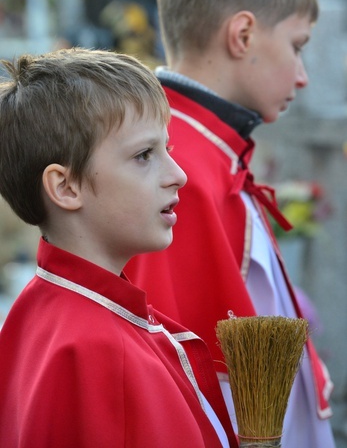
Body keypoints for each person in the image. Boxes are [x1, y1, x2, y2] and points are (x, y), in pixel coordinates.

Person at [125, 0, 336, 446]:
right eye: (297, 46)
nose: (303, 75)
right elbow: (172, 376)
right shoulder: (180, 171)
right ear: (242, 35)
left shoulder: (211, 152)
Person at [0, 48, 238, 448]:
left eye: (169, 149)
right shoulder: (92, 351)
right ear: (66, 187)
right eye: (144, 155)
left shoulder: (52, 310)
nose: (178, 175)